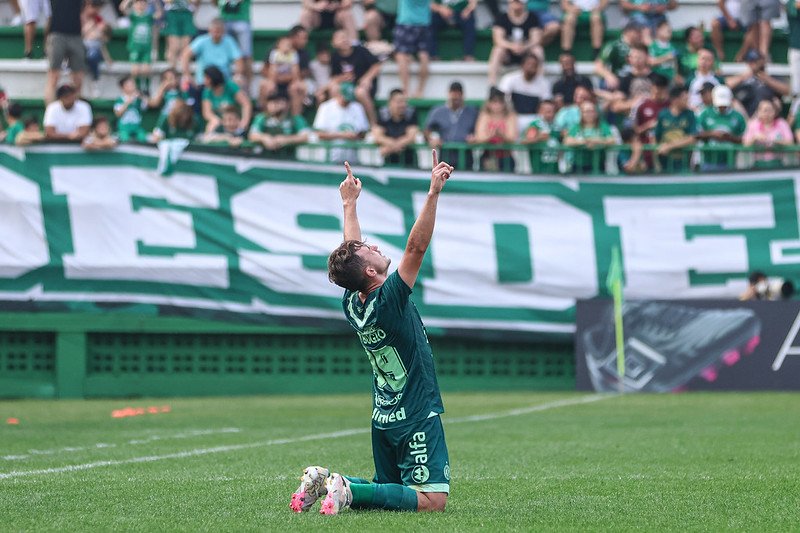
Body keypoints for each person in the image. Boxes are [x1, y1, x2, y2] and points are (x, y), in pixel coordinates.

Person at [299, 152, 454, 515]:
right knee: (432, 502)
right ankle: (347, 489)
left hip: (383, 415)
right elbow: (416, 248)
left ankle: (331, 482)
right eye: (370, 249)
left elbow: (351, 254)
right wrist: (433, 193)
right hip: (413, 412)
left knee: (392, 491)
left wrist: (349, 204)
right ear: (370, 272)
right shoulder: (390, 299)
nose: (375, 246)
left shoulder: (353, 302)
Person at [329, 29, 382, 125]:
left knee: (360, 92)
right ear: (334, 43)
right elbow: (334, 77)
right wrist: (343, 78)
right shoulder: (335, 56)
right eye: (340, 38)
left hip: (364, 85)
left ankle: (373, 124)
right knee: (334, 89)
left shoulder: (361, 50)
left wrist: (367, 78)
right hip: (347, 85)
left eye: (345, 37)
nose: (344, 40)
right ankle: (337, 124)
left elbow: (376, 66)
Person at [424, 81, 479, 169]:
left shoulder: (472, 112)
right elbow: (427, 130)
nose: (456, 98)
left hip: (465, 157)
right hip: (445, 156)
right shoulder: (438, 111)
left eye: (458, 95)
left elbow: (479, 130)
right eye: (453, 95)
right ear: (448, 94)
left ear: (462, 95)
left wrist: (475, 138)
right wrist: (432, 139)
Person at [313, 82, 370, 163]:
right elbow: (319, 134)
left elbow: (363, 132)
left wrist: (355, 136)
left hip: (352, 160)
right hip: (330, 159)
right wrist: (342, 135)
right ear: (339, 94)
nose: (347, 102)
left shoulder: (357, 107)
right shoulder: (326, 107)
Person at [488, 0, 540, 87]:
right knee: (497, 50)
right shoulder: (502, 17)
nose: (516, 4)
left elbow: (536, 39)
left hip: (526, 54)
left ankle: (539, 83)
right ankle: (492, 85)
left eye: (519, 2)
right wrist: (512, 46)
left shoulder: (532, 17)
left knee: (538, 51)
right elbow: (498, 39)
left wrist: (524, 46)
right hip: (508, 55)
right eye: (514, 2)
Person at [181, 18, 243, 89]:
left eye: (218, 32)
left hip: (224, 82)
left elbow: (239, 59)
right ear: (209, 31)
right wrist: (187, 75)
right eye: (214, 32)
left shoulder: (229, 41)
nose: (216, 34)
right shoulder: (201, 41)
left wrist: (238, 75)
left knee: (239, 85)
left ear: (223, 32)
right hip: (204, 82)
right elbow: (186, 54)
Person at [726, 48, 790, 117]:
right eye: (750, 62)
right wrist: (742, 77)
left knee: (775, 101)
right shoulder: (743, 78)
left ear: (762, 61)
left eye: (755, 61)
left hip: (767, 117)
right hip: (746, 116)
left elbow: (787, 90)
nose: (753, 64)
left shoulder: (772, 77)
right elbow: (724, 85)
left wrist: (767, 80)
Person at [696, 84, 746, 170]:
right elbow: (696, 134)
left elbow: (744, 139)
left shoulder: (738, 117)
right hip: (708, 161)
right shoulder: (704, 114)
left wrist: (729, 137)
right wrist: (712, 134)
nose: (722, 107)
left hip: (729, 161)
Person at [45, 0, 86, 103]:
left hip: (75, 34)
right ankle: (50, 113)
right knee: (53, 76)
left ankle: (75, 109)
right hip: (57, 34)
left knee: (78, 79)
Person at [562, 100, 617, 173]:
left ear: (596, 113)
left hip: (598, 166)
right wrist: (584, 141)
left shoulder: (603, 126)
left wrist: (596, 141)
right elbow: (567, 141)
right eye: (586, 111)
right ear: (581, 113)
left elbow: (612, 140)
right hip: (578, 166)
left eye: (592, 111)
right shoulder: (576, 127)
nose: (589, 114)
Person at [259, 34, 305, 118]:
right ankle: (265, 116)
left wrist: (289, 79)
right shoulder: (275, 54)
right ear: (278, 45)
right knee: (266, 87)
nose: (286, 46)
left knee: (297, 88)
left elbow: (295, 73)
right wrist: (273, 82)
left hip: (289, 81)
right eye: (284, 44)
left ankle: (296, 118)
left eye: (288, 44)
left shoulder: (293, 54)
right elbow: (272, 71)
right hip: (277, 80)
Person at [472, 89, 518, 172]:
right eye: (494, 102)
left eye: (500, 102)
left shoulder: (510, 116)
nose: (497, 105)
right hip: (488, 157)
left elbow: (513, 138)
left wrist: (502, 135)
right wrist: (491, 135)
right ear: (489, 103)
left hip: (506, 158)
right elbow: (479, 137)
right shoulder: (484, 116)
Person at [654, 85, 697, 171]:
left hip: (683, 163)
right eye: (685, 99)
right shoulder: (663, 115)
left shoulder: (690, 115)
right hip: (665, 162)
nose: (687, 102)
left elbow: (692, 138)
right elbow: (656, 137)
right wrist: (656, 161)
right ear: (675, 100)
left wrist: (669, 146)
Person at [372, 88, 419, 167]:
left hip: (409, 161)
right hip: (389, 161)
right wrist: (396, 145)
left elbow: (411, 137)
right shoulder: (382, 113)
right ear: (390, 103)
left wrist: (390, 148)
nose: (403, 105)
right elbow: (378, 136)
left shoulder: (411, 112)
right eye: (399, 102)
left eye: (404, 101)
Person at [394, 0, 432, 98]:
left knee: (401, 55)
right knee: (423, 56)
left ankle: (406, 90)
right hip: (423, 23)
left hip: (406, 22)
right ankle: (420, 90)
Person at [122, 0, 160, 93]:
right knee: (135, 70)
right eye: (138, 3)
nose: (140, 5)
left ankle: (146, 88)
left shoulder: (148, 17)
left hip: (146, 48)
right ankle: (136, 89)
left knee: (146, 70)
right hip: (135, 47)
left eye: (143, 3)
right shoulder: (133, 16)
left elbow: (159, 14)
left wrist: (156, 2)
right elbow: (122, 8)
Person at [200, 65, 252, 134]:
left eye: (207, 78)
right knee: (211, 125)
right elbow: (207, 112)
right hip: (219, 122)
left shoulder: (230, 86)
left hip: (233, 121)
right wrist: (215, 119)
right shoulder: (207, 92)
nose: (204, 81)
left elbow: (246, 104)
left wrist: (244, 121)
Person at [497, 51, 551, 116]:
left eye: (534, 65)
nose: (531, 67)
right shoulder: (509, 79)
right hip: (512, 117)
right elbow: (502, 98)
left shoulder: (544, 83)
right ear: (522, 65)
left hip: (534, 118)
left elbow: (546, 104)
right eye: (529, 64)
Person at [743, 99, 792, 168]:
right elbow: (745, 144)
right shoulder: (752, 124)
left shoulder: (782, 123)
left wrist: (776, 141)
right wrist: (755, 138)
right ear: (758, 112)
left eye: (770, 110)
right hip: (758, 164)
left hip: (778, 163)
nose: (767, 113)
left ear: (775, 112)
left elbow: (790, 142)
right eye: (765, 110)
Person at [218, 0, 254, 96]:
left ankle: (247, 90)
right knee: (223, 55)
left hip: (242, 19)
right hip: (224, 19)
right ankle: (224, 87)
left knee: (246, 55)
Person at [594, 22, 643, 91]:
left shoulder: (640, 48)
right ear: (628, 31)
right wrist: (609, 76)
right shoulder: (614, 45)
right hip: (618, 79)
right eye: (637, 32)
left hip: (634, 80)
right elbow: (598, 66)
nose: (640, 34)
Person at [82, 0, 113, 98]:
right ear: (88, 5)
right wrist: (88, 30)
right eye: (95, 7)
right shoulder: (78, 17)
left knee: (93, 55)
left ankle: (95, 81)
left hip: (93, 50)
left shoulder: (98, 19)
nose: (97, 10)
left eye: (99, 8)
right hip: (79, 48)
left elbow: (104, 40)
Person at [522, 98, 559, 173]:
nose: (550, 114)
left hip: (554, 169)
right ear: (540, 111)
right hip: (538, 168)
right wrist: (538, 138)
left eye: (552, 111)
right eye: (547, 111)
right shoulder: (534, 125)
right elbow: (524, 141)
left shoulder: (557, 126)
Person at [163, 0, 198, 69]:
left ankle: (184, 73)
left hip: (186, 14)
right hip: (173, 14)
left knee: (185, 47)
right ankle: (172, 72)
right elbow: (167, 1)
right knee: (174, 47)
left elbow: (195, 1)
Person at [114, 75, 149, 142]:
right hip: (124, 127)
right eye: (128, 85)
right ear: (122, 87)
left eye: (133, 84)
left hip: (136, 126)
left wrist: (141, 97)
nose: (132, 87)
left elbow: (145, 106)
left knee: (142, 137)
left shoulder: (138, 99)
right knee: (124, 138)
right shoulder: (120, 100)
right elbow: (118, 113)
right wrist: (128, 102)